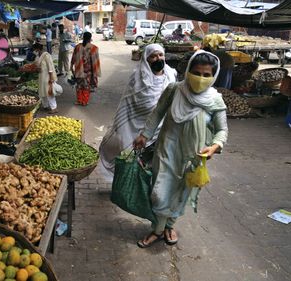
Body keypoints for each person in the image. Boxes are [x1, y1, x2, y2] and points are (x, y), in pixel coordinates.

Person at [133, 51, 228, 248]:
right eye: (196, 72)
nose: (200, 78)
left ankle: (169, 226)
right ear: (188, 71)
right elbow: (157, 112)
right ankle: (157, 229)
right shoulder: (174, 90)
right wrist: (144, 135)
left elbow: (222, 130)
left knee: (180, 194)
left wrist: (215, 147)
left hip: (192, 157)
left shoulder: (215, 100)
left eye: (206, 75)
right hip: (166, 150)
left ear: (214, 75)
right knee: (159, 192)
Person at [99, 44, 177, 179]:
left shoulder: (171, 75)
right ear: (146, 59)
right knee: (127, 153)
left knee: (154, 161)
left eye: (160, 55)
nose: (158, 58)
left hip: (161, 128)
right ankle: (128, 184)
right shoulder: (138, 77)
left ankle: (146, 187)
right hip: (135, 125)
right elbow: (129, 102)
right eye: (153, 56)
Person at [70, 32, 101, 106]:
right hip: (89, 72)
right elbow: (96, 61)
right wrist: (95, 73)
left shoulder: (78, 47)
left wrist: (71, 66)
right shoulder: (94, 48)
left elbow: (73, 58)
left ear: (83, 37)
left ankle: (79, 100)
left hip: (79, 70)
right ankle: (85, 101)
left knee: (79, 86)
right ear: (90, 38)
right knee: (86, 86)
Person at [33, 43, 58, 114]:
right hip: (41, 76)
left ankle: (54, 108)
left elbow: (50, 67)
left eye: (35, 49)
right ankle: (45, 106)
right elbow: (37, 65)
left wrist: (51, 78)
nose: (34, 51)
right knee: (42, 91)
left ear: (38, 49)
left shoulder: (46, 55)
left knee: (49, 92)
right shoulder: (38, 56)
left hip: (47, 76)